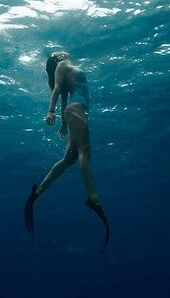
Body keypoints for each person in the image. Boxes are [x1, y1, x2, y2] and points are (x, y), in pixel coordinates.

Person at [24, 51, 110, 253]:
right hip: (76, 110)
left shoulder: (65, 69)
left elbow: (63, 96)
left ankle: (37, 193)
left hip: (74, 111)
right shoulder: (62, 64)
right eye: (57, 54)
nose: (61, 52)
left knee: (69, 159)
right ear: (56, 59)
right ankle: (93, 197)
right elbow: (58, 91)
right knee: (85, 153)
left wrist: (63, 123)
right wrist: (50, 111)